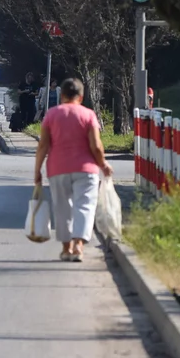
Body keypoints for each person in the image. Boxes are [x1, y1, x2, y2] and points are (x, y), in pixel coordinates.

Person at [34, 78, 113, 263]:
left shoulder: (52, 115)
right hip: (86, 170)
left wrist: (37, 170)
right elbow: (96, 146)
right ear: (81, 96)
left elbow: (43, 145)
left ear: (61, 96)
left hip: (57, 169)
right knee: (84, 206)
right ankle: (78, 245)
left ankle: (65, 248)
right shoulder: (88, 115)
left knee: (62, 208)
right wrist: (103, 164)